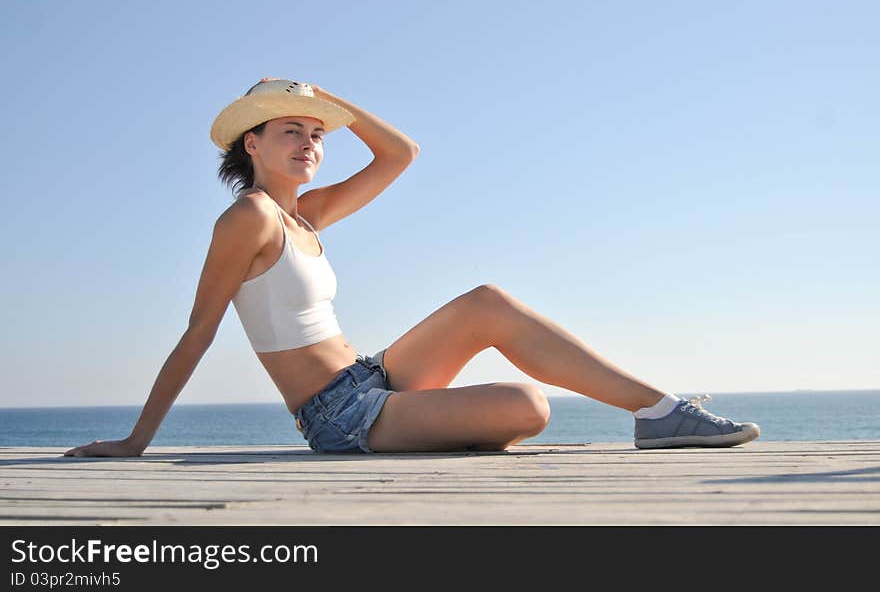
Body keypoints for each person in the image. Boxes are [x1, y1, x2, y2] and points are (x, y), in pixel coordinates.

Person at [64, 77, 759, 457]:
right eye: (290, 130)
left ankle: (660, 411)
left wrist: (326, 100)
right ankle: (452, 427)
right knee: (529, 406)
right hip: (337, 415)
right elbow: (198, 331)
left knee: (488, 298)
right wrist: (136, 440)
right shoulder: (248, 218)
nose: (309, 142)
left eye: (316, 134)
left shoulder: (306, 215)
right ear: (253, 141)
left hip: (370, 375)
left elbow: (401, 154)